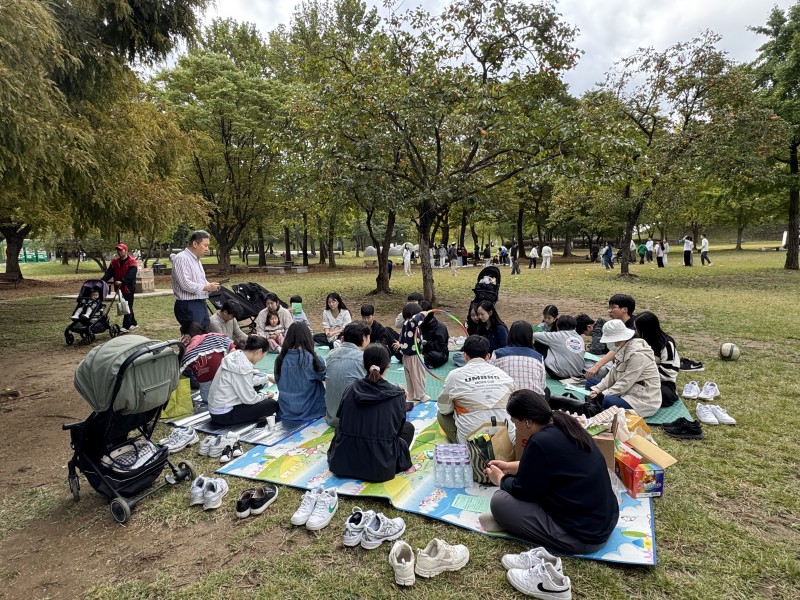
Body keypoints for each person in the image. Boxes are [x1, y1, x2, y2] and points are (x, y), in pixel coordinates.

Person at [481, 389, 618, 554]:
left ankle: (513, 522)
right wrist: (509, 466)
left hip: (582, 537)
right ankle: (515, 522)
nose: (515, 425)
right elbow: (549, 465)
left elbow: (523, 490)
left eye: (514, 421)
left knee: (500, 501)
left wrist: (501, 479)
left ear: (527, 422)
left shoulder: (540, 442)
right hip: (603, 520)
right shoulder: (563, 421)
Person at [327, 343, 413, 482]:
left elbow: (342, 418)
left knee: (340, 429)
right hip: (380, 467)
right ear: (388, 365)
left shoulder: (351, 388)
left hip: (343, 461)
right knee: (408, 428)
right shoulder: (397, 394)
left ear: (364, 364)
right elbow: (397, 429)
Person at [437, 335, 515, 443]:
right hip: (508, 441)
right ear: (488, 356)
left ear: (464, 356)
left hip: (473, 446)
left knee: (441, 414)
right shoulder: (504, 375)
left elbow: (443, 408)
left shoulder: (454, 376)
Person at [587, 319, 662, 417]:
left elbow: (625, 382)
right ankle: (599, 402)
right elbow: (611, 375)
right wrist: (597, 389)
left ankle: (599, 404)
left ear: (618, 339)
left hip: (640, 399)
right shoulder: (622, 348)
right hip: (625, 391)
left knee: (605, 401)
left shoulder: (638, 355)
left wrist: (602, 394)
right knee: (591, 383)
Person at [207, 335, 278, 426]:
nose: (261, 359)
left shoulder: (236, 355)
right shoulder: (243, 367)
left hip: (216, 409)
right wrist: (266, 396)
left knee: (259, 386)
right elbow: (250, 399)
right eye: (263, 356)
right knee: (271, 404)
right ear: (259, 351)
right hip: (224, 415)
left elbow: (246, 382)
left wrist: (266, 378)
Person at [274, 323, 327, 421]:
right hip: (311, 410)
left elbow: (277, 381)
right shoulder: (313, 359)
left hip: (286, 410)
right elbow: (326, 378)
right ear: (307, 337)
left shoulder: (280, 359)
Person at [171, 230, 220, 331]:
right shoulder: (182, 258)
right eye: (205, 245)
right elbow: (185, 284)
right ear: (195, 244)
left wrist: (210, 285)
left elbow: (200, 281)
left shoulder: (196, 259)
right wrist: (206, 287)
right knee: (193, 337)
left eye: (208, 246)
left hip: (200, 302)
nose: (207, 249)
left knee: (204, 335)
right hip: (188, 305)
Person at [324, 322, 371, 427]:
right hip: (353, 421)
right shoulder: (363, 357)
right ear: (364, 338)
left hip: (332, 417)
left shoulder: (331, 354)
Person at [180, 323, 236, 405]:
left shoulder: (187, 353)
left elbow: (182, 368)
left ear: (186, 336)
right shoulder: (217, 337)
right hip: (228, 383)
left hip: (208, 393)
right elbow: (234, 352)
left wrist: (181, 348)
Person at [584, 294, 636, 379]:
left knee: (601, 370)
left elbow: (616, 349)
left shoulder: (633, 329)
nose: (609, 311)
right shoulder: (620, 324)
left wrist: (597, 366)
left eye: (613, 307)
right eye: (609, 308)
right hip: (618, 362)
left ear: (625, 309)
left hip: (628, 368)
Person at [634, 312, 680, 408]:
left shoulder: (666, 345)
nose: (636, 331)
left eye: (637, 329)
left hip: (661, 383)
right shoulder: (639, 340)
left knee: (660, 395)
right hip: (639, 378)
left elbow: (669, 372)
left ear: (646, 330)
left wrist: (643, 377)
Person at [490, 321, 547, 396]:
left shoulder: (497, 354)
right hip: (532, 402)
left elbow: (490, 380)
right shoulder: (538, 357)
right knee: (547, 391)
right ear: (530, 337)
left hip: (505, 401)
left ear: (510, 335)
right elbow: (542, 385)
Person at [393, 302, 428, 402]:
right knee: (418, 375)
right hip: (414, 355)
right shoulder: (411, 323)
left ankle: (411, 395)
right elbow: (415, 320)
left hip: (407, 355)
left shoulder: (406, 324)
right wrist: (422, 314)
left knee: (410, 377)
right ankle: (421, 395)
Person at [103, 243, 138, 332]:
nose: (119, 252)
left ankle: (126, 326)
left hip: (128, 287)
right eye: (118, 250)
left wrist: (123, 280)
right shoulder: (114, 262)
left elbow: (131, 275)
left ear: (126, 251)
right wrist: (103, 281)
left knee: (127, 305)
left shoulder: (132, 262)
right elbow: (109, 272)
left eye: (121, 250)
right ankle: (133, 323)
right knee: (126, 305)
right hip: (119, 288)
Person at [417, 301, 449, 368]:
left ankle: (419, 361)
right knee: (400, 352)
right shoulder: (417, 324)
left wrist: (425, 343)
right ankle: (418, 360)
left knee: (434, 356)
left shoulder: (439, 327)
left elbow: (440, 347)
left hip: (436, 352)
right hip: (419, 351)